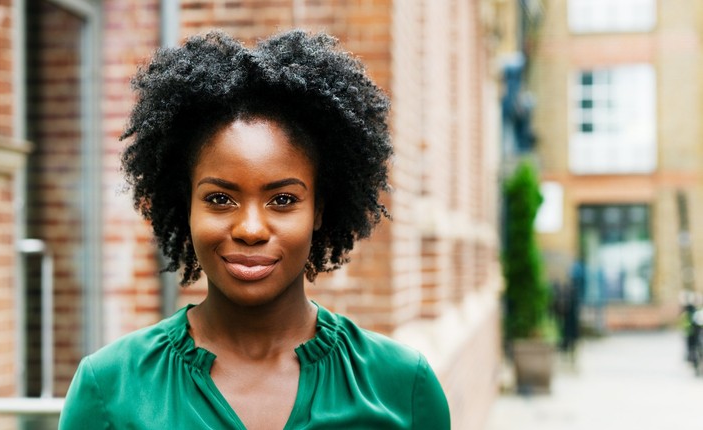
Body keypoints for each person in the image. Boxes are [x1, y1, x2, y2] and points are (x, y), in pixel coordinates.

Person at [59, 30, 451, 429]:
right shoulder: (109, 389)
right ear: (186, 205)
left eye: (282, 200)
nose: (250, 228)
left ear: (319, 209)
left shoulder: (401, 389)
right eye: (219, 199)